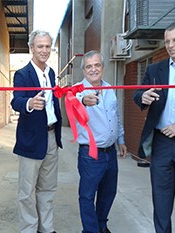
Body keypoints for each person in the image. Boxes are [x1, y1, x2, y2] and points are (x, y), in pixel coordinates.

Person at [133, 21, 175, 233]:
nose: (170, 45)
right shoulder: (154, 69)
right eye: (167, 41)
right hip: (161, 145)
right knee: (161, 203)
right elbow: (137, 94)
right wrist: (144, 96)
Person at [11, 30, 62, 233]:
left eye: (48, 46)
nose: (44, 50)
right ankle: (29, 229)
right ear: (31, 48)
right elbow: (16, 100)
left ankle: (46, 229)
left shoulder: (50, 73)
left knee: (48, 189)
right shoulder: (22, 74)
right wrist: (30, 103)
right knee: (26, 192)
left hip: (51, 137)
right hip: (31, 140)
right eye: (40, 46)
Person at [75, 50, 127, 233]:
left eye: (97, 65)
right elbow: (72, 100)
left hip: (110, 153)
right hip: (91, 154)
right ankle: (90, 230)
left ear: (103, 67)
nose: (93, 69)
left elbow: (116, 116)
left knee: (108, 193)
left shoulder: (110, 89)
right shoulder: (77, 90)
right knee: (87, 196)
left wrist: (121, 139)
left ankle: (101, 225)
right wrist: (83, 100)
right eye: (89, 66)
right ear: (83, 70)